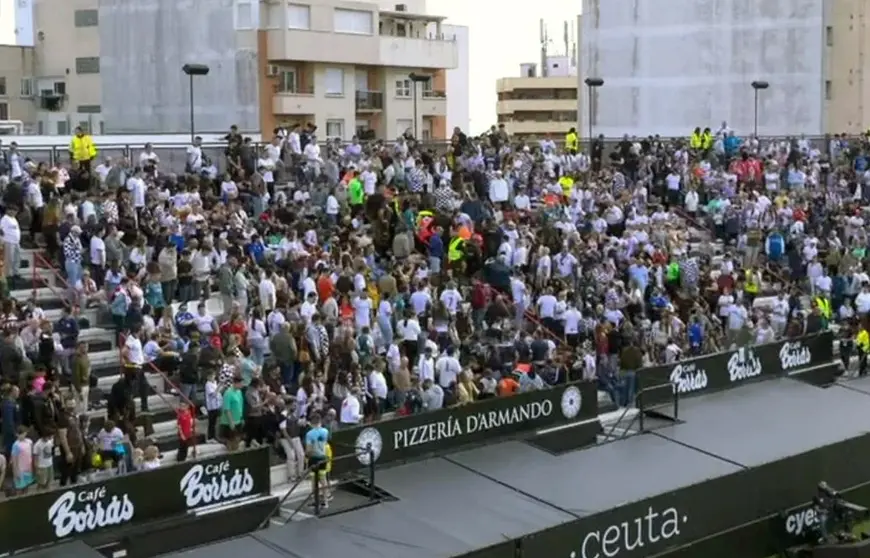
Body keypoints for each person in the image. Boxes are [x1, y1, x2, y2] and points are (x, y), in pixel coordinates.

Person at [304, 411, 331, 509]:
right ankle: (326, 501)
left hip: (314, 458)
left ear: (311, 423)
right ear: (320, 421)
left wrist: (306, 456)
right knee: (323, 479)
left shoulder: (309, 434)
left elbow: (308, 449)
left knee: (313, 480)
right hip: (323, 457)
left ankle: (315, 501)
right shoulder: (325, 431)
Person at [220, 376, 245, 452]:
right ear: (235, 383)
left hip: (238, 420)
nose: (242, 385)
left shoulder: (239, 392)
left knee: (238, 440)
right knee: (231, 441)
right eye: (240, 383)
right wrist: (231, 423)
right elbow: (227, 409)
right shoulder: (228, 393)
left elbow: (240, 405)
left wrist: (241, 418)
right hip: (229, 422)